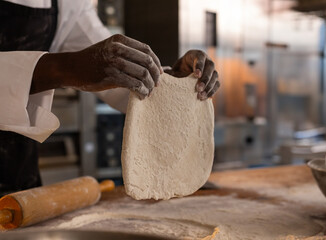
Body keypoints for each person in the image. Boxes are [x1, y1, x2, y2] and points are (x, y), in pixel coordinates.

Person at [0, 0, 220, 195]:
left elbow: (113, 69)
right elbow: (79, 66)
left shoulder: (69, 3)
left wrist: (174, 84)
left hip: (19, 186)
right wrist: (64, 68)